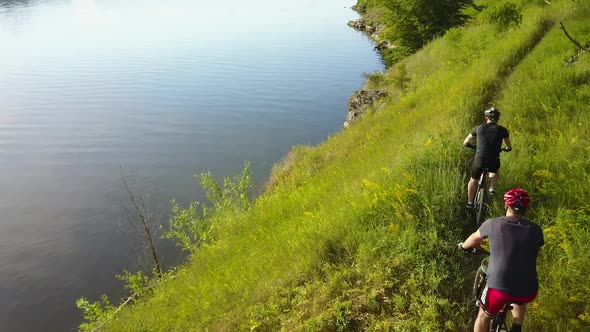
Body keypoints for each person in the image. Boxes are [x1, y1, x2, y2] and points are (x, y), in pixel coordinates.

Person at [459, 188, 544, 332]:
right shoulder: (536, 230)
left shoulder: (493, 224)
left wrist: (463, 246)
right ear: (526, 208)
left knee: (482, 317)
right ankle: (517, 327)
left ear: (506, 205)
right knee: (519, 297)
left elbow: (471, 241)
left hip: (498, 288)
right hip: (529, 289)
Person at [463, 107, 512, 209]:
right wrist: (507, 148)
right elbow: (508, 145)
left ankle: (470, 202)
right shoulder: (502, 130)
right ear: (497, 119)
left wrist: (470, 146)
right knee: (494, 170)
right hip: (494, 160)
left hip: (479, 160)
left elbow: (466, 142)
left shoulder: (479, 128)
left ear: (486, 118)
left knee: (473, 179)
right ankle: (492, 188)